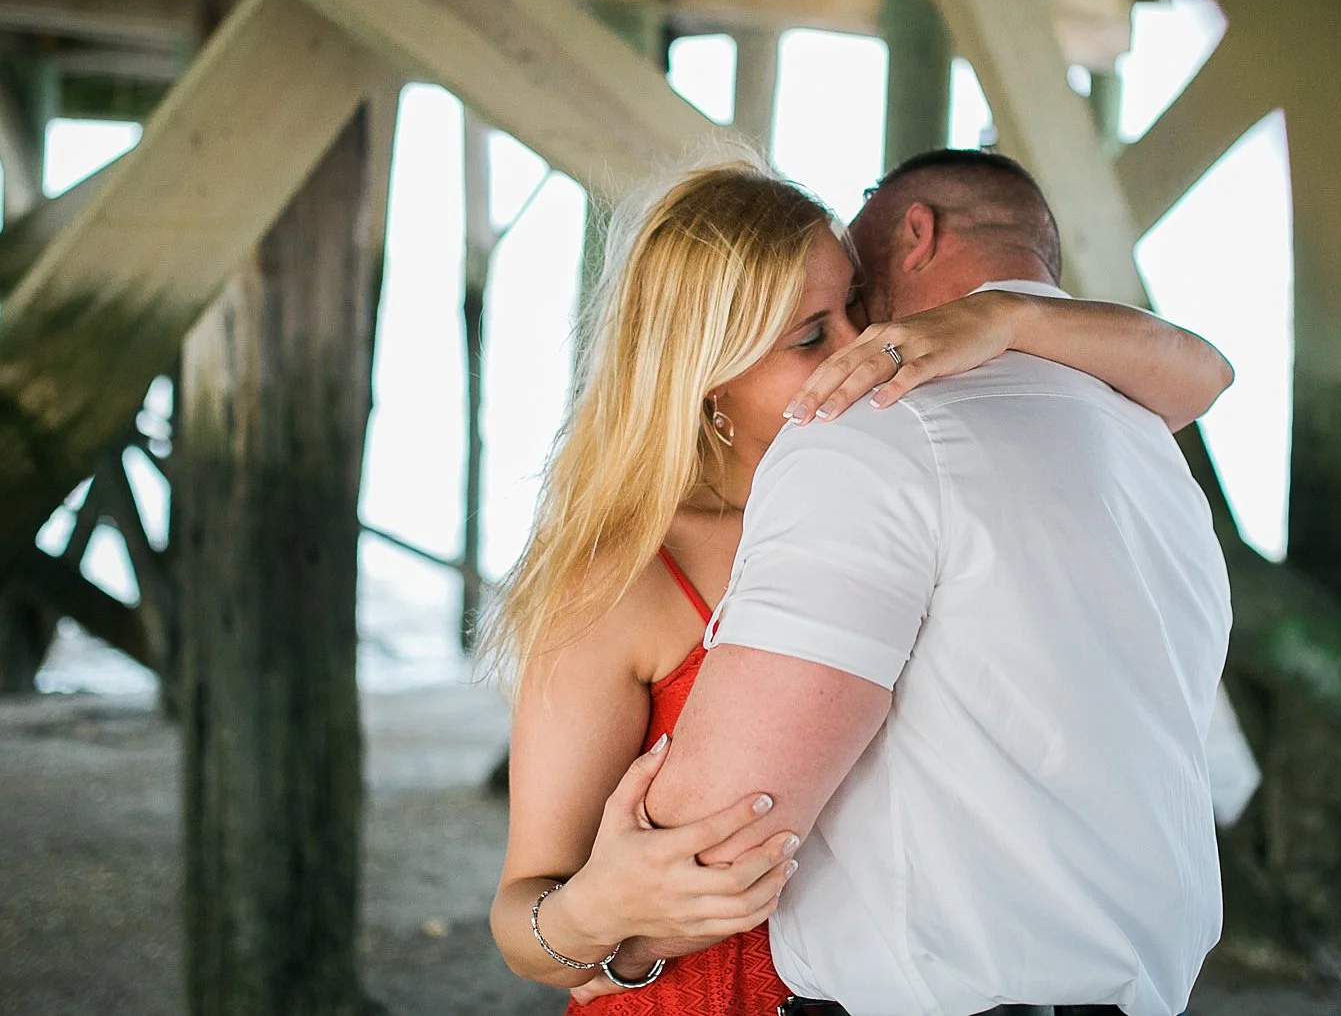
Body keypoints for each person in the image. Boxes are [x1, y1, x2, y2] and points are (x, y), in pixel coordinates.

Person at [484, 156, 1232, 1016]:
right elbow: (522, 911)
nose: (861, 346)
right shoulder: (621, 580)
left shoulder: (889, 478)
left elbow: (1203, 376)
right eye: (809, 335)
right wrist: (592, 918)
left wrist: (1000, 318)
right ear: (708, 378)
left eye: (860, 307)